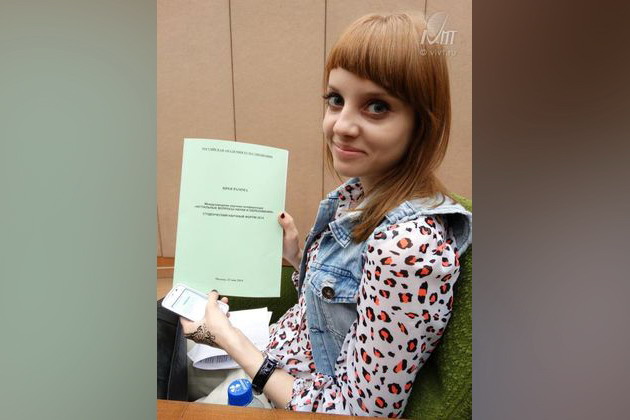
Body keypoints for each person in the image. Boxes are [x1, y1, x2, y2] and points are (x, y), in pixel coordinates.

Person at [160, 12, 472, 417]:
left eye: (377, 106)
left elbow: (358, 411)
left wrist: (229, 339)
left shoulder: (406, 249)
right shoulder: (363, 192)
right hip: (271, 355)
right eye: (336, 100)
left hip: (277, 392)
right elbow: (344, 310)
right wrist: (298, 257)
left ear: (422, 123)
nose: (341, 126)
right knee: (161, 318)